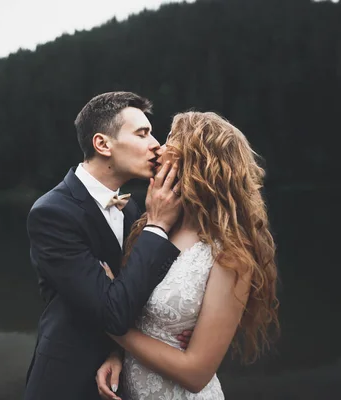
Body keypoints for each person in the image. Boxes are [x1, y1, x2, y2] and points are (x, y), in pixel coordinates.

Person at [96, 111, 279, 400]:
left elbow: (196, 374)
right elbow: (135, 308)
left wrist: (112, 328)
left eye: (171, 139)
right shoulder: (153, 224)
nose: (158, 147)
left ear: (198, 160)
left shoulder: (229, 253)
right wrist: (117, 354)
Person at [24, 91, 193, 400]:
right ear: (102, 144)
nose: (155, 144)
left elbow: (134, 292)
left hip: (118, 371)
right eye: (142, 134)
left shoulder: (129, 208)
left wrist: (121, 351)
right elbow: (113, 312)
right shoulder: (51, 214)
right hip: (66, 380)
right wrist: (157, 225)